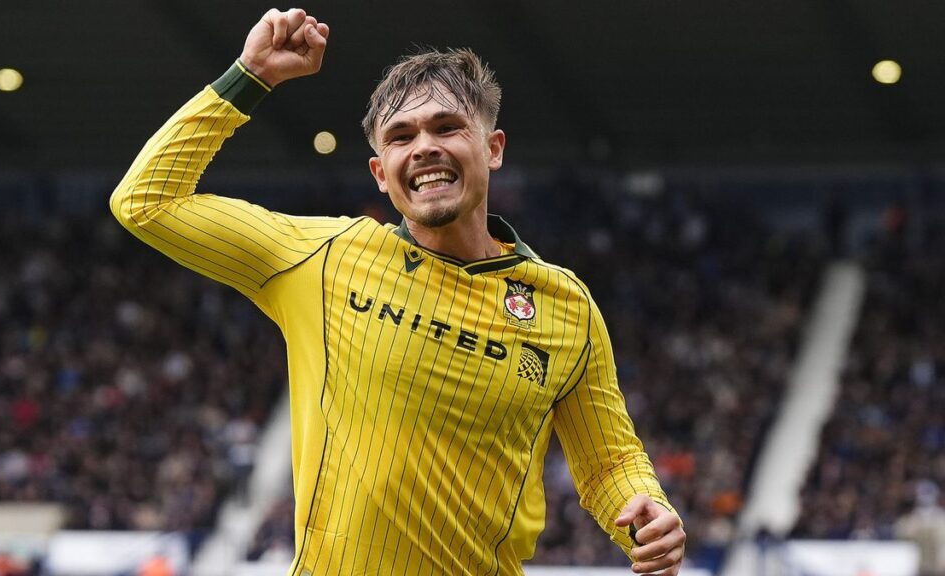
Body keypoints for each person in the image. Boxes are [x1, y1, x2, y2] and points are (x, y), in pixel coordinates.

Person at [110, 8, 685, 575]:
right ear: (381, 173)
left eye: (447, 127)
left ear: (493, 148)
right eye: (401, 136)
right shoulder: (324, 258)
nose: (424, 148)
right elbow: (146, 202)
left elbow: (609, 463)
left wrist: (645, 507)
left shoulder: (566, 307)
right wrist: (251, 75)